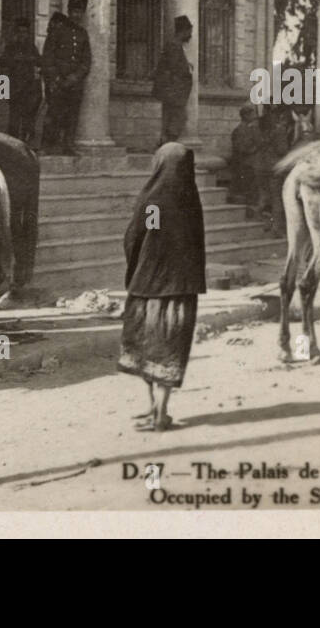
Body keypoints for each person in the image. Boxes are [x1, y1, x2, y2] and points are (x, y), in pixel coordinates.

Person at [117, 142, 206, 432]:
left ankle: (153, 408)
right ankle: (160, 410)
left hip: (148, 288)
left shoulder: (152, 200)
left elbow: (135, 239)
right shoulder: (191, 200)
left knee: (146, 349)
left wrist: (137, 268)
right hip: (180, 291)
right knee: (169, 350)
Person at [42, 0, 92, 154]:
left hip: (74, 83)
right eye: (74, 11)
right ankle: (47, 146)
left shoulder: (83, 34)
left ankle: (68, 145)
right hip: (58, 81)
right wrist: (55, 78)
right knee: (54, 113)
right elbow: (48, 56)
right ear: (69, 11)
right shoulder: (58, 30)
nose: (77, 15)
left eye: (80, 12)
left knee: (72, 115)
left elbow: (86, 61)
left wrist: (75, 77)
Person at [152, 15, 194, 145]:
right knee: (177, 121)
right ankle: (165, 147)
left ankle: (165, 146)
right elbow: (175, 69)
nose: (190, 35)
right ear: (183, 31)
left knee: (171, 122)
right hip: (174, 93)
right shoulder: (174, 46)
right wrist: (187, 69)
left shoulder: (175, 45)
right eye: (189, 32)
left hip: (173, 93)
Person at [3, 17, 43, 145]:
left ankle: (26, 146)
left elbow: (39, 63)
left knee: (28, 122)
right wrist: (2, 93)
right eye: (20, 32)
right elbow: (3, 66)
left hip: (28, 91)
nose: (22, 35)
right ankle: (11, 147)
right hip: (14, 91)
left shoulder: (31, 48)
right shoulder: (10, 48)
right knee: (13, 122)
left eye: (25, 32)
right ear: (15, 33)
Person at [228, 104, 263, 212]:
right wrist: (256, 147)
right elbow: (241, 148)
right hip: (245, 164)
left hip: (250, 163)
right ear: (246, 115)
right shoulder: (240, 130)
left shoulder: (250, 128)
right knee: (247, 189)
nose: (254, 116)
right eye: (252, 114)